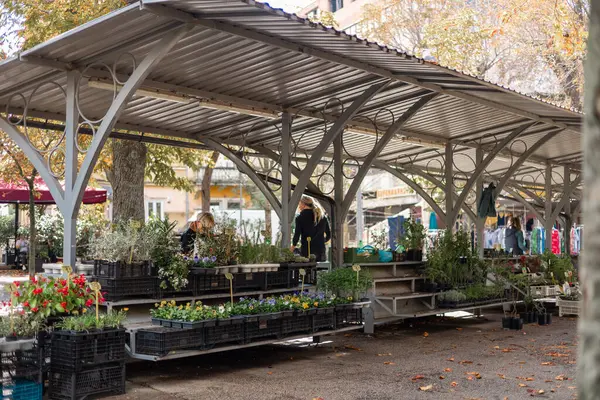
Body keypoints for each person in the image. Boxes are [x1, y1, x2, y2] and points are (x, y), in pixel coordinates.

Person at [291, 196, 331, 262]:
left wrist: (292, 248)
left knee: (307, 270)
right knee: (320, 271)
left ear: (303, 204)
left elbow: (296, 236)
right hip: (320, 251)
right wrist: (321, 241)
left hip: (307, 251)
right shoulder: (323, 217)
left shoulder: (300, 218)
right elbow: (329, 235)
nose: (298, 206)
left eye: (299, 203)